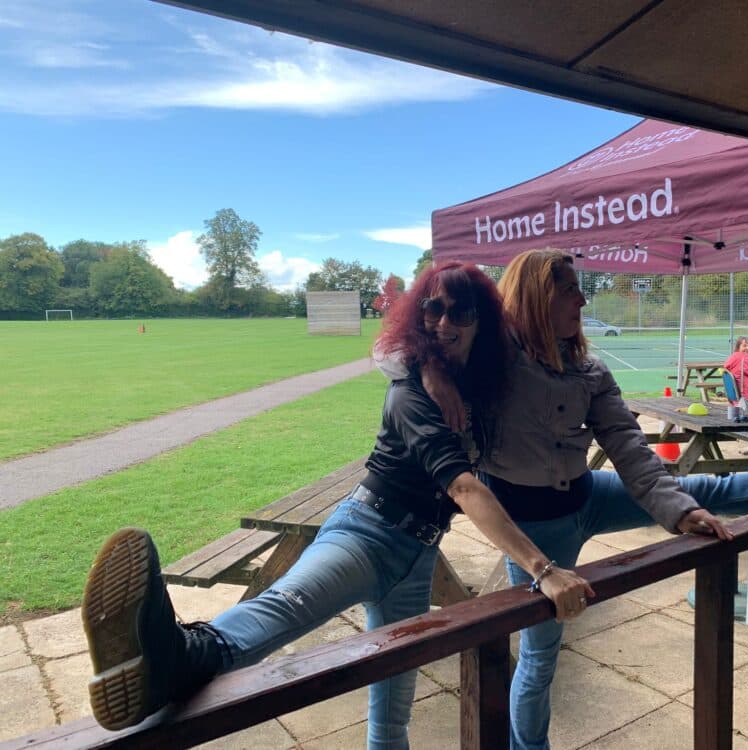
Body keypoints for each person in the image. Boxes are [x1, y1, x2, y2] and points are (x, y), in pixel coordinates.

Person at [80, 262, 594, 747]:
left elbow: (519, 353)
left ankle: (159, 662)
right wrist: (543, 569)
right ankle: (171, 657)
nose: (443, 323)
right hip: (367, 532)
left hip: (418, 558)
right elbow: (463, 487)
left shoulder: (478, 387)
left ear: (481, 322)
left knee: (392, 711)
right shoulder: (409, 393)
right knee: (285, 607)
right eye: (433, 309)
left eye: (461, 312)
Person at [399, 250, 748, 747]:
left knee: (705, 491)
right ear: (538, 296)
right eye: (570, 290)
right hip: (531, 527)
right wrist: (429, 371)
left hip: (587, 495)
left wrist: (679, 511)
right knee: (540, 657)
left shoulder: (589, 369)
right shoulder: (492, 357)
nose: (583, 300)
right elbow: (397, 350)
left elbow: (629, 448)